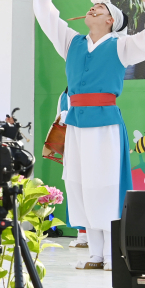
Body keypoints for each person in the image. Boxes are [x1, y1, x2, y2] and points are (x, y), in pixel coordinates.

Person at [31, 0, 145, 271]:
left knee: (105, 185)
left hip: (105, 124)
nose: (93, 8)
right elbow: (48, 16)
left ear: (111, 20)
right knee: (79, 183)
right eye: (93, 6)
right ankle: (94, 253)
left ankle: (112, 254)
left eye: (100, 8)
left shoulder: (119, 46)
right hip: (76, 125)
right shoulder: (72, 43)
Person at [55, 88, 88, 249]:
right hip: (70, 148)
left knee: (91, 189)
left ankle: (97, 235)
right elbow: (58, 122)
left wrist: (70, 117)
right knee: (74, 188)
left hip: (88, 147)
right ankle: (82, 233)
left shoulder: (89, 90)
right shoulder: (63, 96)